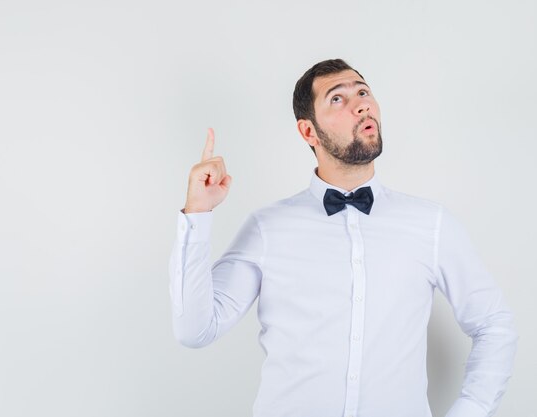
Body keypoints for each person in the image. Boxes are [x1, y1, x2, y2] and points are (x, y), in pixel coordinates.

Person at [169, 59, 517, 417]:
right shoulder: (267, 228)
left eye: (363, 92)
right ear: (308, 132)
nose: (361, 104)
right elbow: (196, 329)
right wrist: (197, 212)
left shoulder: (432, 224)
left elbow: (494, 325)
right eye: (338, 98)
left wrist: (470, 410)